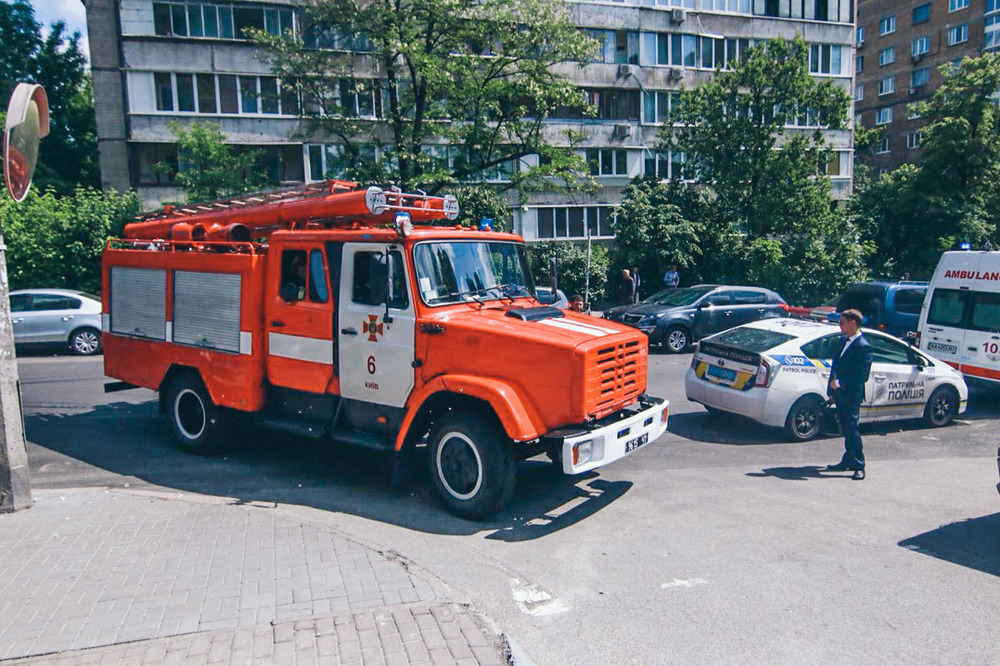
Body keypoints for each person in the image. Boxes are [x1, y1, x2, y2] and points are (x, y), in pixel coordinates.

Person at [825, 308, 873, 480]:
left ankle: (859, 464)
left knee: (852, 429)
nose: (840, 326)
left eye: (842, 322)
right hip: (839, 393)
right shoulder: (842, 341)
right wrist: (831, 390)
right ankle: (848, 459)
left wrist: (839, 383)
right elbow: (835, 367)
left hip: (851, 394)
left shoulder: (863, 346)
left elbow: (861, 375)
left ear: (853, 323)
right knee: (845, 428)